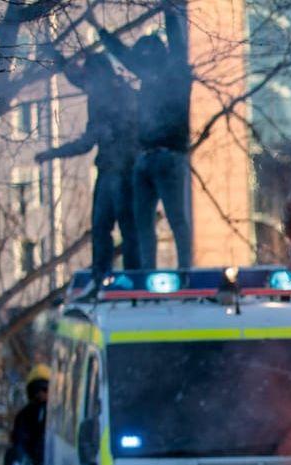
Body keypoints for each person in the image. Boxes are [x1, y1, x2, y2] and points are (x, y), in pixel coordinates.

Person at [96, 1, 193, 269]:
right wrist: (100, 31)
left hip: (169, 155)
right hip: (145, 158)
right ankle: (148, 272)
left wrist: (170, 12)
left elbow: (177, 45)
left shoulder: (176, 74)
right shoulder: (148, 77)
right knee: (143, 223)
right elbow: (124, 56)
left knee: (175, 219)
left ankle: (184, 268)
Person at [36, 49, 141, 279]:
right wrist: (61, 61)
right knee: (119, 229)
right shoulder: (116, 91)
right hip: (118, 171)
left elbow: (86, 143)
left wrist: (52, 153)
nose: (88, 84)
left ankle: (108, 274)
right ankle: (125, 274)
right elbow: (79, 79)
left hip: (118, 172)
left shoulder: (108, 99)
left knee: (111, 228)